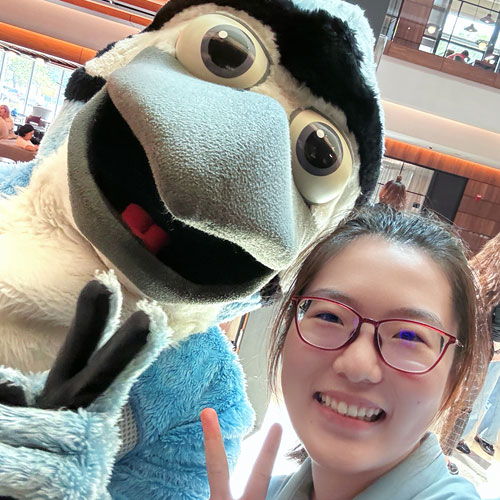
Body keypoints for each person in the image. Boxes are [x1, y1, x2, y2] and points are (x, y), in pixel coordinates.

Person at [201, 205, 488, 499]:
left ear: (454, 378)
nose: (357, 365)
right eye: (330, 317)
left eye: (409, 335)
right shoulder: (270, 492)